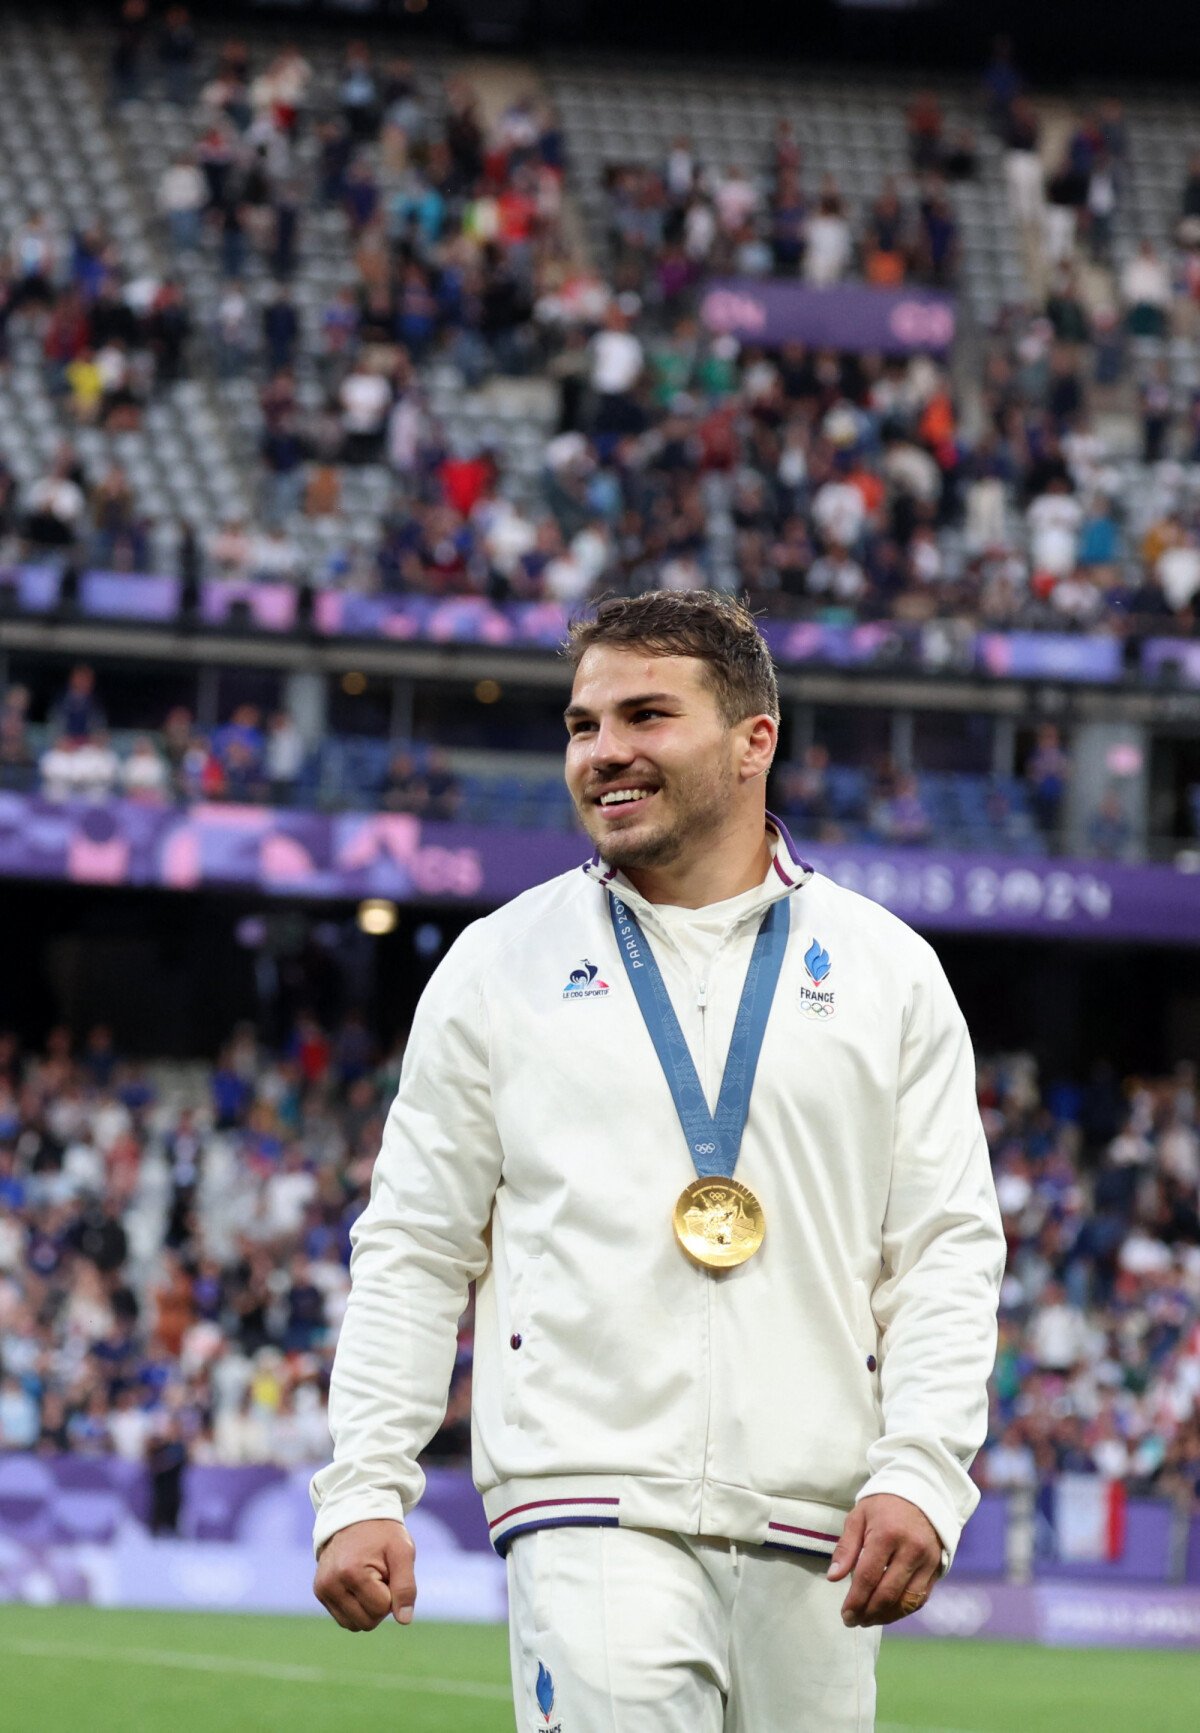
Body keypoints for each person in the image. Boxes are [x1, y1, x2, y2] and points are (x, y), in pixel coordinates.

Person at [311, 590, 1004, 1731]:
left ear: (753, 740)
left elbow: (941, 1251)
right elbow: (416, 1246)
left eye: (645, 715)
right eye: (584, 724)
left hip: (818, 1528)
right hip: (589, 1503)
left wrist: (921, 1470)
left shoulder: (888, 971)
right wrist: (366, 1481)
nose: (604, 752)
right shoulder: (501, 965)